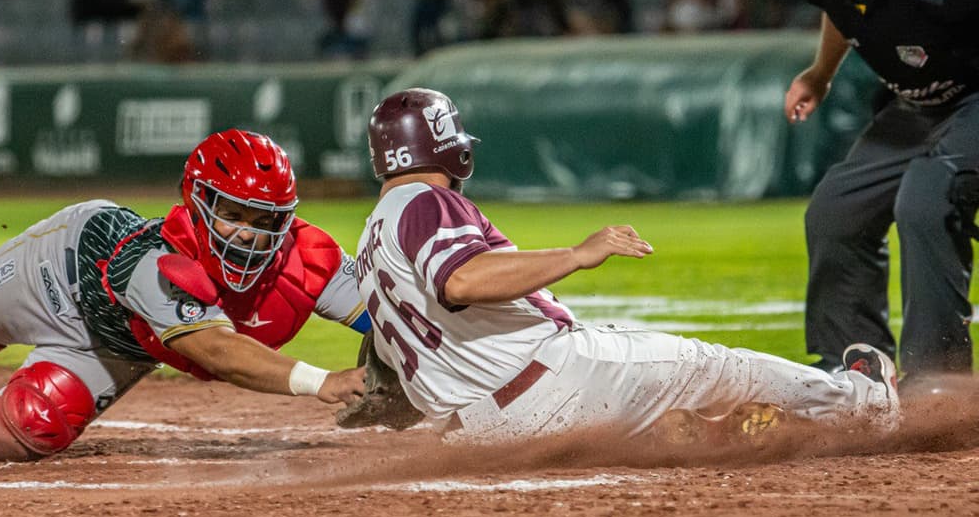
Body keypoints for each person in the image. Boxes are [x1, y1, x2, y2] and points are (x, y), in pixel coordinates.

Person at [354, 87, 899, 443]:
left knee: (671, 416)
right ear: (448, 146)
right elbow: (461, 280)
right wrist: (576, 255)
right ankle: (864, 402)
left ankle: (715, 432)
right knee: (713, 366)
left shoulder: (373, 233)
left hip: (473, 431)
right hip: (548, 383)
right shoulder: (427, 202)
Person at [0, 130, 368, 461]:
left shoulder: (307, 259)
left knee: (33, 428)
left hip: (122, 342)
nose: (248, 232)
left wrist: (416, 365)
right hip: (59, 272)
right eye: (233, 214)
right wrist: (324, 382)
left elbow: (386, 309)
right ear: (197, 203)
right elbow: (216, 350)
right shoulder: (158, 263)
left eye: (264, 219)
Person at [783, 0, 979, 385]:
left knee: (925, 197)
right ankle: (852, 369)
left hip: (974, 102)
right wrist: (820, 74)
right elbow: (841, 12)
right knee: (835, 210)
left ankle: (940, 377)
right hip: (914, 108)